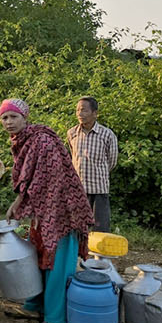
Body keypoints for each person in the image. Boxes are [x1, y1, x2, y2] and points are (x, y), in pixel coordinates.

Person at [0, 98, 93, 323]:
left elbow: (47, 180)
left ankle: (54, 320)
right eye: (4, 117)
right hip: (44, 209)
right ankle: (35, 307)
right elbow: (29, 179)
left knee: (57, 263)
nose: (9, 122)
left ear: (25, 117)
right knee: (38, 256)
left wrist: (20, 202)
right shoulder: (23, 141)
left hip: (62, 211)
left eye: (13, 117)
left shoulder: (43, 140)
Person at [66, 96, 118, 232]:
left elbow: (111, 162)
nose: (79, 114)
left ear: (95, 113)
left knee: (100, 228)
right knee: (77, 227)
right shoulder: (72, 133)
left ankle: (99, 254)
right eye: (77, 110)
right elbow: (73, 158)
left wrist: (100, 172)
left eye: (84, 110)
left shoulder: (107, 135)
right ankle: (79, 253)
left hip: (99, 188)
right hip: (78, 189)